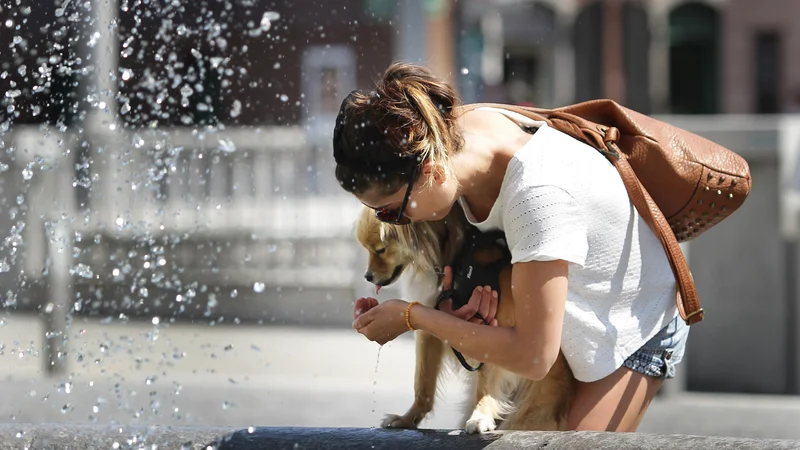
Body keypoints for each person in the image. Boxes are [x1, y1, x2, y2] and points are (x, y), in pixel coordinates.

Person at [332, 62, 690, 432]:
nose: (398, 225)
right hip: (563, 312)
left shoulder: (536, 195)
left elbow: (533, 357)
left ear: (430, 173)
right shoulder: (449, 136)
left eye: (392, 212)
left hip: (629, 324)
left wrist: (414, 317)